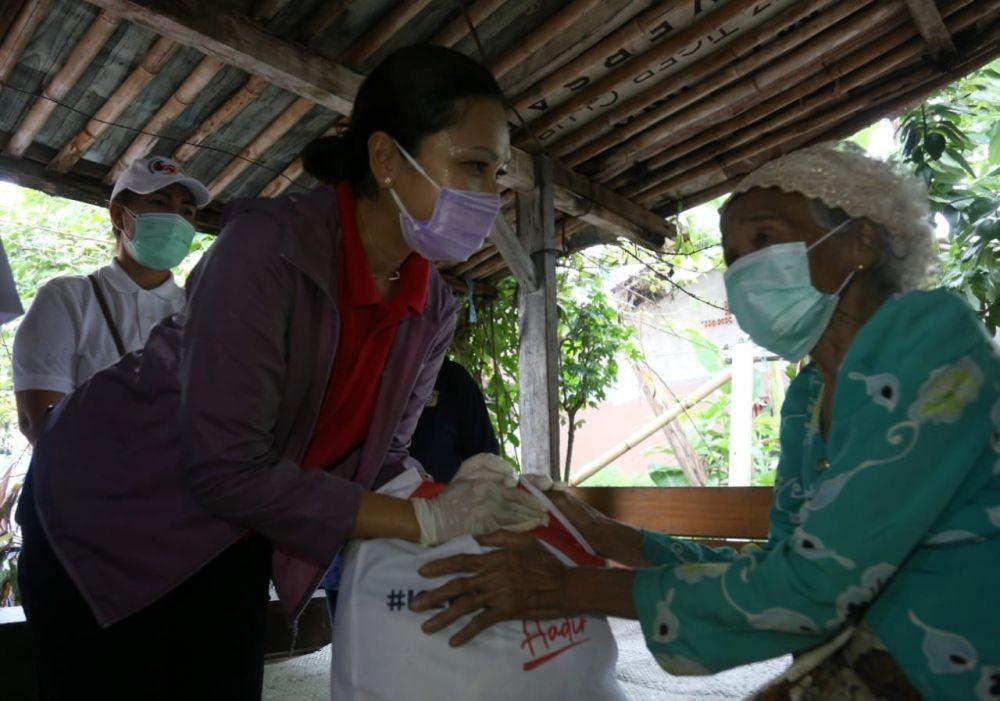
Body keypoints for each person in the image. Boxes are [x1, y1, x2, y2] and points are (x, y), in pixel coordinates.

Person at [16, 45, 546, 701]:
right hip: (105, 510)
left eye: (497, 173)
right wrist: (426, 520)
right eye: (472, 165)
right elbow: (225, 464)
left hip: (230, 528)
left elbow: (383, 456)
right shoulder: (267, 251)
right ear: (385, 159)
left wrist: (457, 494)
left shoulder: (429, 306)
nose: (490, 195)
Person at [411, 143, 1000, 701]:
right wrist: (609, 536)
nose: (744, 271)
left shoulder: (931, 341)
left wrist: (564, 589)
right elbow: (783, 566)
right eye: (733, 256)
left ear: (861, 242)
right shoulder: (807, 398)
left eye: (765, 237)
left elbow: (815, 587)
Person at [12, 156, 209, 444]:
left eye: (187, 210)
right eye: (159, 203)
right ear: (118, 215)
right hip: (86, 486)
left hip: (180, 488)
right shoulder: (68, 298)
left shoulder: (200, 312)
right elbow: (40, 423)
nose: (176, 219)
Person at [322, 357, 500, 622]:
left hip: (436, 551)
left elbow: (485, 463)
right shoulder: (346, 372)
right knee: (358, 645)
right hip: (355, 551)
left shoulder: (450, 379)